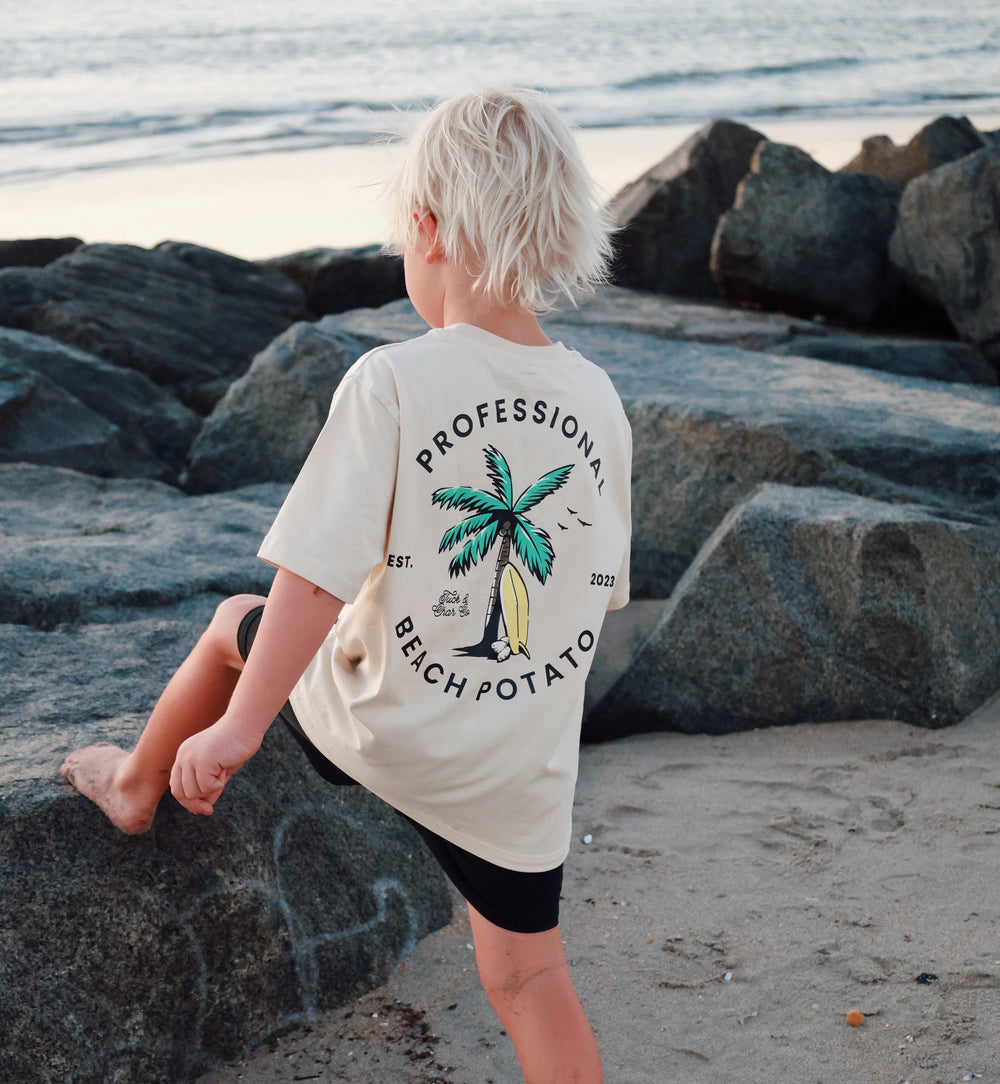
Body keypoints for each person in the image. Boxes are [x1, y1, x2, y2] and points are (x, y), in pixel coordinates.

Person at [60, 86, 631, 1084]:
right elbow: (597, 588)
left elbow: (315, 576)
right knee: (530, 979)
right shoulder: (596, 397)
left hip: (382, 718)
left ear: (427, 229)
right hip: (516, 769)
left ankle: (134, 785)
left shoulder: (394, 382)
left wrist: (241, 726)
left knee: (237, 618)